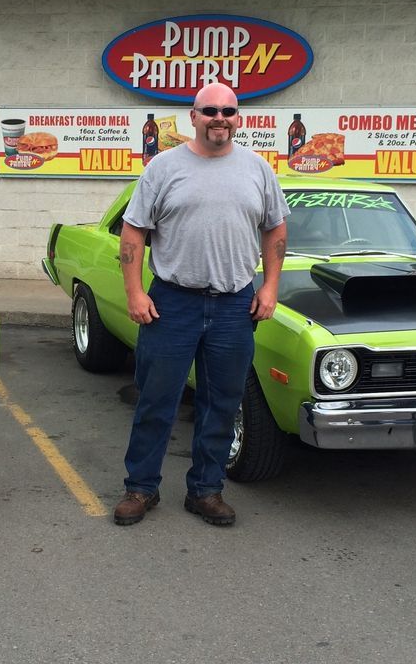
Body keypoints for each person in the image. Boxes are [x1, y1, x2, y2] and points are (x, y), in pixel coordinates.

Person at [114, 82, 289, 527]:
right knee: (157, 400)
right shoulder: (163, 168)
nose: (220, 118)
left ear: (239, 118)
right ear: (193, 117)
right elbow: (133, 232)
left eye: (228, 111)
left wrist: (269, 287)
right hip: (172, 304)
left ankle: (206, 491)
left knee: (222, 403)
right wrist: (135, 292)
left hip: (234, 306)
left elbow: (275, 230)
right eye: (210, 110)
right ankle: (141, 488)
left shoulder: (258, 170)